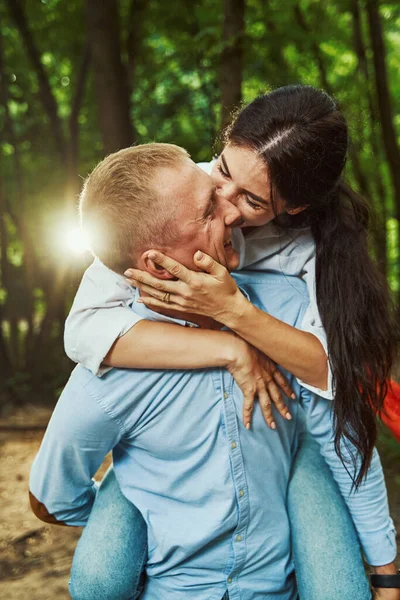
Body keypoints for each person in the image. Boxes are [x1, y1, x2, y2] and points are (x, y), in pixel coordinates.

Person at [63, 88, 399, 597]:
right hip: (179, 438)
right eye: (223, 170)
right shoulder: (176, 204)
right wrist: (230, 349)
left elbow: (333, 379)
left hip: (286, 430)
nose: (222, 204)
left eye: (253, 200)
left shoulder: (308, 248)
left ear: (295, 207)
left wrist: (231, 311)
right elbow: (83, 330)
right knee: (98, 578)